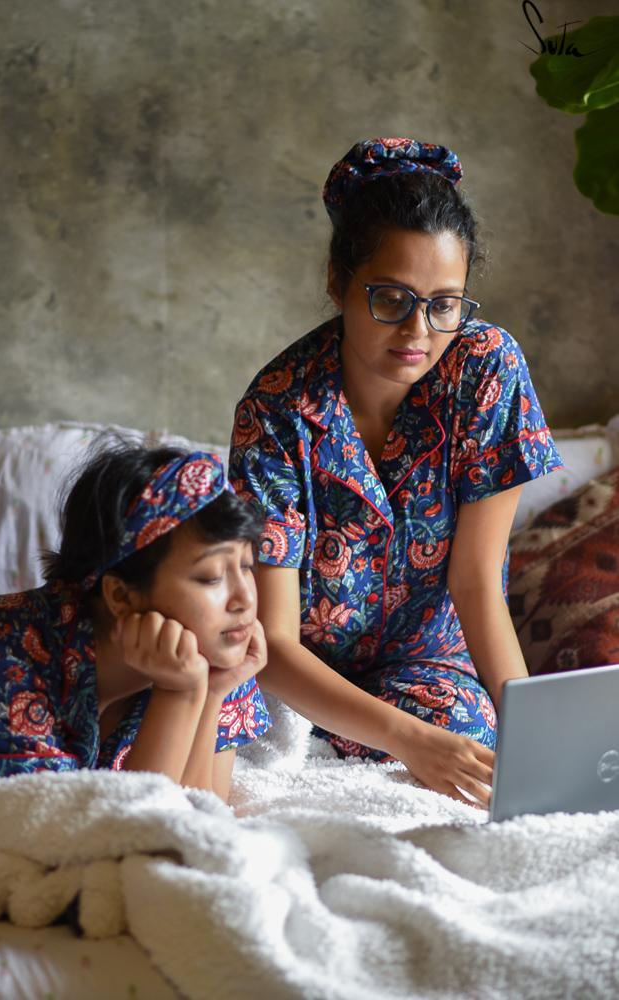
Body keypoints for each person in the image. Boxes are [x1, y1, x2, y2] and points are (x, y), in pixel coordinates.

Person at [228, 137, 563, 807]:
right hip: (307, 682)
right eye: (391, 299)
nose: (418, 331)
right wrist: (405, 741)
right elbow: (275, 641)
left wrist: (539, 746)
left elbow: (476, 585)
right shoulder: (276, 410)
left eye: (444, 304)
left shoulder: (486, 371)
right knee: (190, 714)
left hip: (430, 675)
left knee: (473, 746)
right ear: (337, 281)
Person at [0, 416, 270, 801]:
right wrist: (180, 695)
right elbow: (120, 837)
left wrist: (210, 693)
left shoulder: (212, 648)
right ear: (122, 596)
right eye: (212, 577)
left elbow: (202, 810)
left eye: (248, 568)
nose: (245, 600)